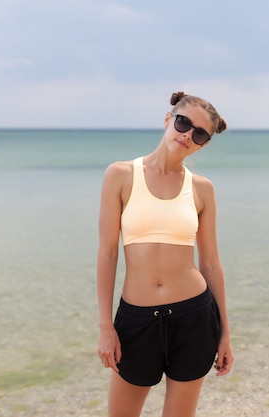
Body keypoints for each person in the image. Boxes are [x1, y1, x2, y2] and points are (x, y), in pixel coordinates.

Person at [96, 91, 234, 417]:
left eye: (199, 134)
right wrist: (106, 327)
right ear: (168, 118)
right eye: (183, 123)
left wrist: (226, 333)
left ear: (204, 144)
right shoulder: (120, 175)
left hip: (195, 319)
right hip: (136, 321)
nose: (187, 135)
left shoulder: (202, 189)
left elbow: (211, 263)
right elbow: (107, 255)